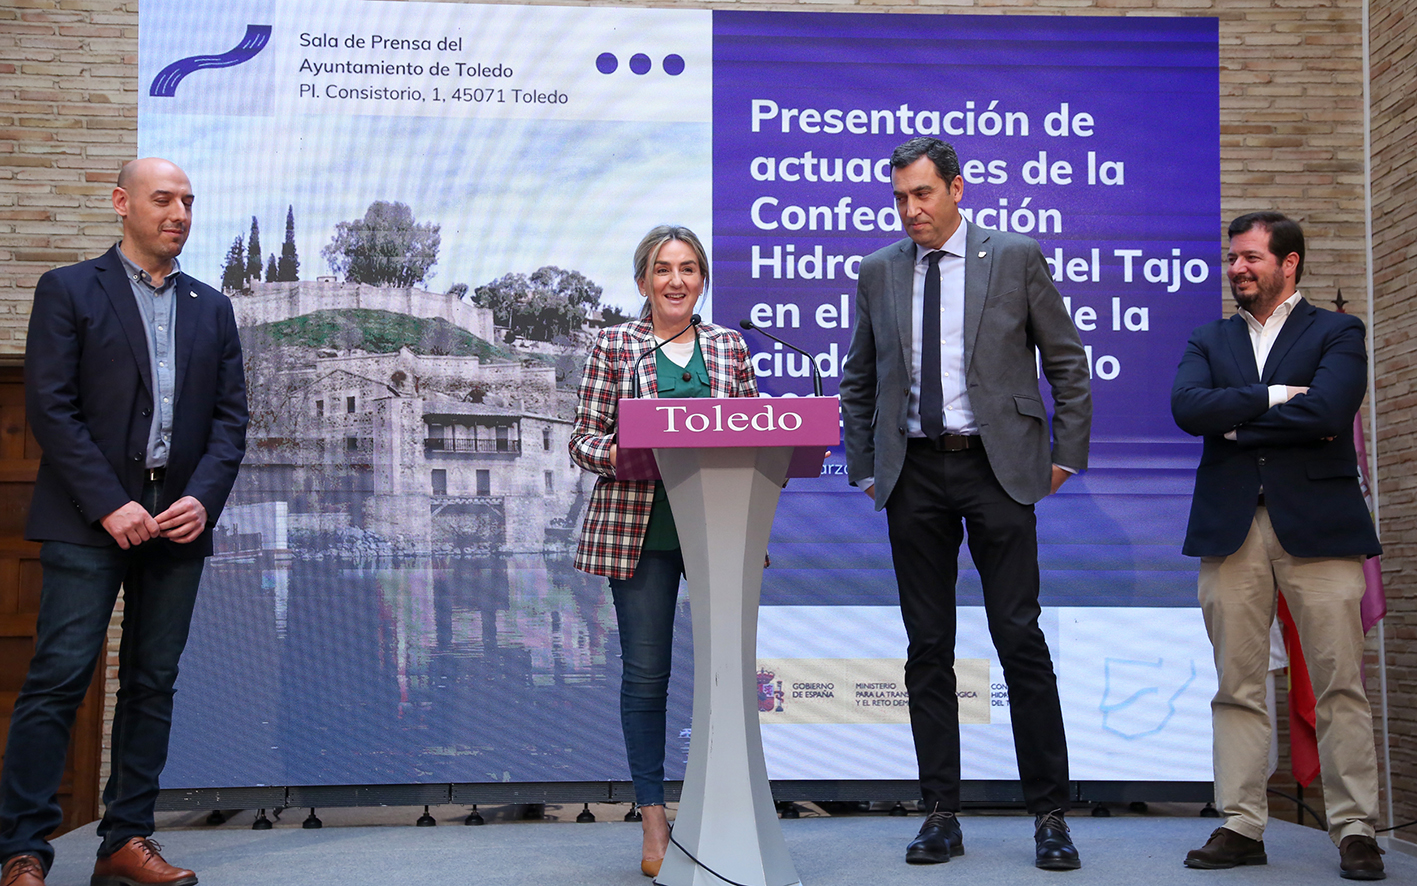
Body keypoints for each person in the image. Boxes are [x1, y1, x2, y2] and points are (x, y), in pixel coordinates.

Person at [839, 137, 1092, 870]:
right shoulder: (877, 271)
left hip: (997, 470)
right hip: (911, 475)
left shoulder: (1011, 257)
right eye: (899, 198)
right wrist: (864, 468)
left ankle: (1049, 816)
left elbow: (1066, 361)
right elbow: (860, 375)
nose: (909, 210)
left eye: (921, 194)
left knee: (1020, 640)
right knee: (927, 650)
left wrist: (1064, 456)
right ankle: (939, 814)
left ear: (955, 189)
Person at [0, 158, 248, 886]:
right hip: (88, 520)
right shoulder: (69, 289)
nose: (180, 213)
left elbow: (231, 421)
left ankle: (124, 841)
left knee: (152, 682)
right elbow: (51, 407)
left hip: (178, 523)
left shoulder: (212, 306)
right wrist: (112, 503)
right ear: (121, 203)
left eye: (189, 202)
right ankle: (22, 850)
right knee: (58, 680)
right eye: (164, 199)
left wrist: (202, 497)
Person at [1172, 211, 1385, 881]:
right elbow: (1188, 409)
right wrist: (1271, 398)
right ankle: (1240, 824)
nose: (1236, 267)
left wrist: (1239, 426)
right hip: (1229, 530)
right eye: (1232, 257)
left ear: (1287, 263)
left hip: (1318, 527)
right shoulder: (1208, 338)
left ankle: (1353, 829)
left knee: (1337, 684)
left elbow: (1328, 411)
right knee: (1236, 687)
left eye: (1250, 257)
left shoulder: (1336, 330)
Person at [570, 225, 758, 878]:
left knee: (725, 680)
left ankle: (723, 812)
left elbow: (755, 437)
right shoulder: (614, 346)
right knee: (647, 677)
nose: (675, 280)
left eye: (687, 268)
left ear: (702, 278)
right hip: (640, 534)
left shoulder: (729, 348)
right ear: (643, 280)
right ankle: (652, 814)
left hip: (718, 533)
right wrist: (621, 453)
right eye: (661, 269)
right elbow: (582, 438)